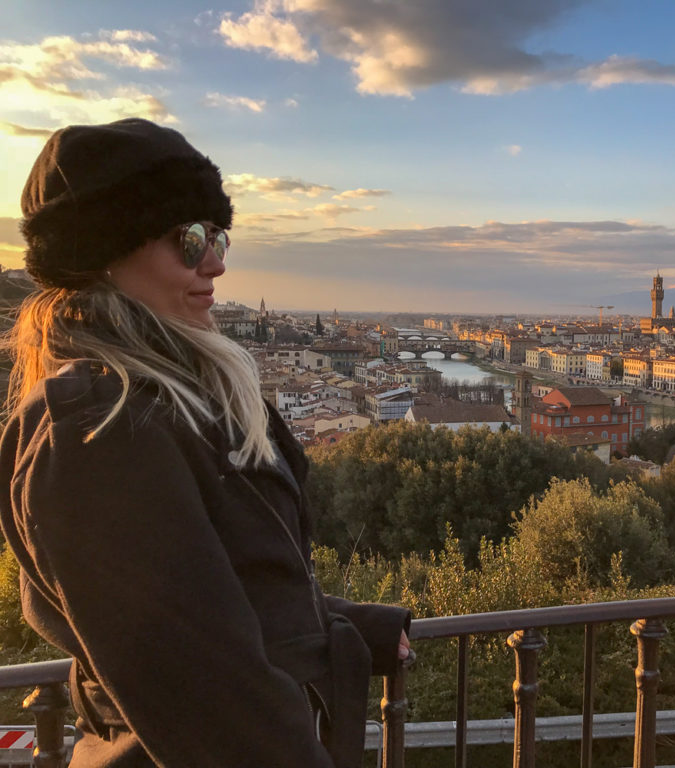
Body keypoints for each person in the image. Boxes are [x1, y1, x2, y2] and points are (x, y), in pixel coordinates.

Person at [0, 118, 411, 767]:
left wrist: (353, 630)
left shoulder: (159, 404)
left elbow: (218, 596)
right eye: (187, 240)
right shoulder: (99, 433)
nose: (216, 262)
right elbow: (206, 691)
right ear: (102, 250)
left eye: (217, 236)